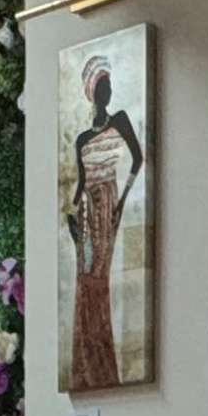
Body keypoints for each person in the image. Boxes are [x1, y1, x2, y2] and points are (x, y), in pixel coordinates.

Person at [63, 54, 144, 391]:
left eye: (109, 85)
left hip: (107, 204)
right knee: (85, 282)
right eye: (102, 87)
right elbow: (80, 184)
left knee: (99, 278)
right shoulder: (82, 139)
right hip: (85, 213)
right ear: (92, 92)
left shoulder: (120, 121)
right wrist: (71, 219)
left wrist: (122, 199)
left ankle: (102, 360)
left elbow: (138, 159)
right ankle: (86, 364)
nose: (107, 92)